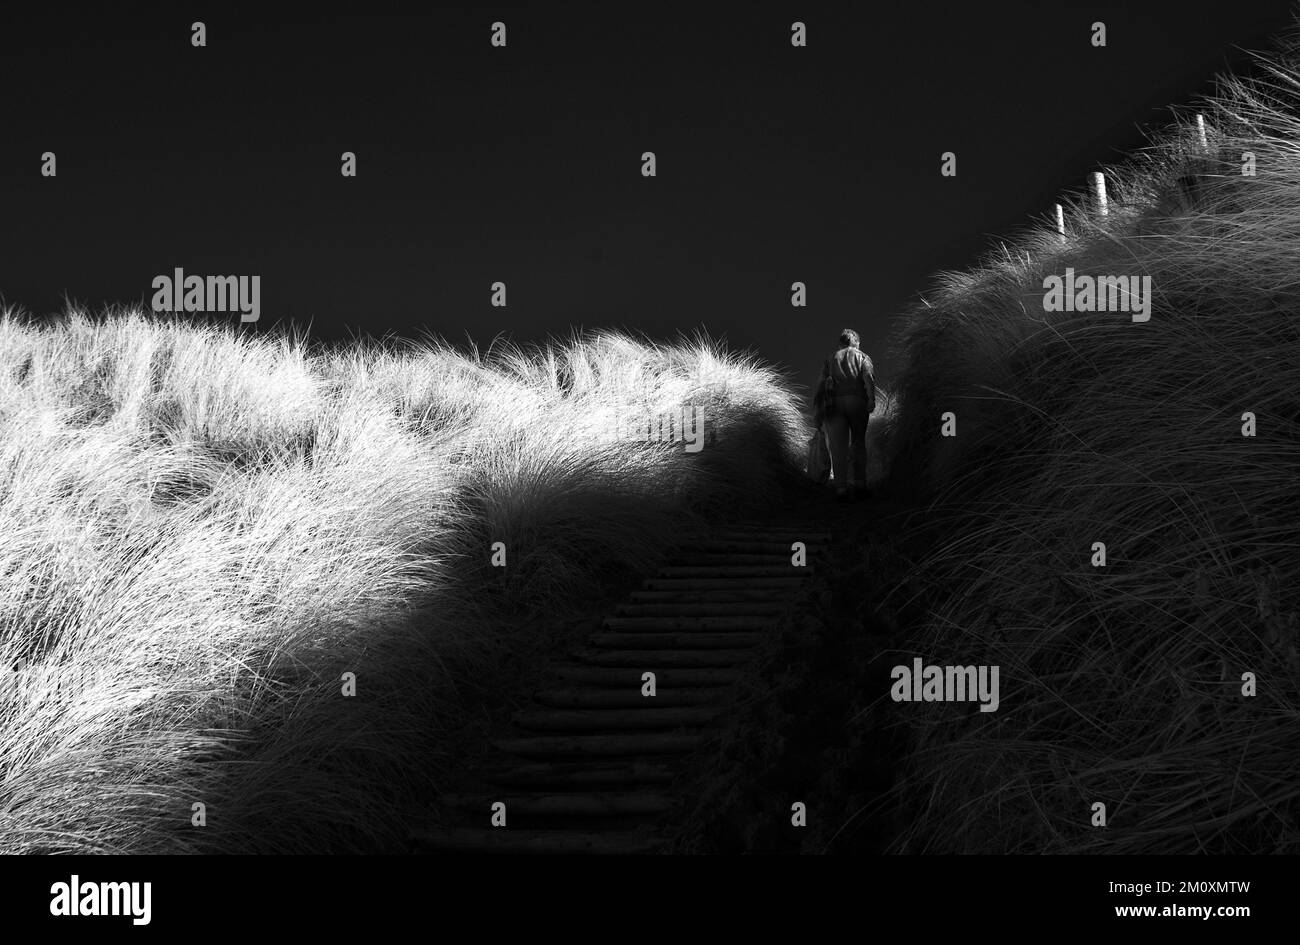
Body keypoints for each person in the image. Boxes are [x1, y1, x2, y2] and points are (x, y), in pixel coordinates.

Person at [813, 329, 875, 501]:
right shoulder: (863, 357)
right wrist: (871, 399)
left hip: (834, 405)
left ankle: (841, 488)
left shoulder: (830, 359)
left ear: (840, 343)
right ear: (857, 343)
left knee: (837, 447)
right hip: (857, 402)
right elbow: (868, 378)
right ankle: (860, 484)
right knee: (858, 443)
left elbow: (820, 387)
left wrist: (817, 413)